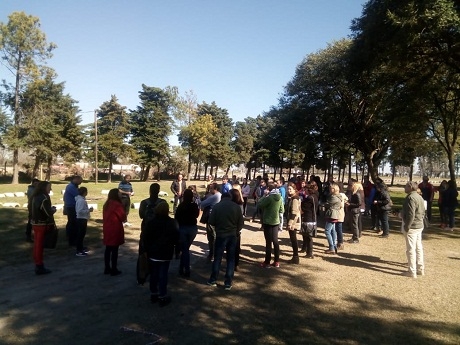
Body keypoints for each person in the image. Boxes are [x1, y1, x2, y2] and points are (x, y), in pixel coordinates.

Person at [143, 202, 179, 307]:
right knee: (163, 274)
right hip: (165, 252)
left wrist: (146, 250)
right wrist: (177, 250)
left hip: (153, 252)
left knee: (154, 274)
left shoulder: (151, 222)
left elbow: (145, 237)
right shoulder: (172, 222)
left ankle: (154, 293)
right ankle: (162, 295)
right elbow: (176, 237)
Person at [206, 193, 244, 290]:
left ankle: (213, 279)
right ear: (230, 198)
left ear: (222, 198)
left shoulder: (217, 207)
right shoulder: (236, 207)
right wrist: (236, 231)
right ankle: (228, 282)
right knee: (230, 259)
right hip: (232, 235)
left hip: (221, 235)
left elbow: (211, 221)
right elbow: (241, 223)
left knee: (218, 258)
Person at [31, 181, 56, 275]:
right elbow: (47, 213)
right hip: (42, 224)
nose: (50, 189)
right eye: (49, 187)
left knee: (37, 244)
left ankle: (37, 262)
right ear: (44, 187)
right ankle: (39, 265)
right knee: (40, 246)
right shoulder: (44, 198)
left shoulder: (35, 196)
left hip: (35, 223)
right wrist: (52, 210)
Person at [401, 182, 426, 278]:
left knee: (411, 249)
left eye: (406, 186)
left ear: (410, 187)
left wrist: (407, 226)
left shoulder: (410, 198)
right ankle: (420, 268)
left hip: (413, 227)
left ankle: (412, 271)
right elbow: (423, 211)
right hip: (419, 225)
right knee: (418, 247)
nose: (404, 187)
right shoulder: (419, 197)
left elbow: (411, 214)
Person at [175, 189, 199, 278]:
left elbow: (176, 217)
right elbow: (197, 215)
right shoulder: (194, 205)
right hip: (192, 228)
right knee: (185, 249)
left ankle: (186, 269)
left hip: (183, 228)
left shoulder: (181, 206)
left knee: (185, 250)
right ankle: (181, 268)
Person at [258, 184, 284, 268]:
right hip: (276, 221)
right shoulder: (280, 198)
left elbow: (260, 204)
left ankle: (267, 262)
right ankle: (277, 261)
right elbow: (282, 210)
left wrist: (264, 196)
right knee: (275, 242)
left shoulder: (269, 198)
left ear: (269, 189)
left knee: (268, 242)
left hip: (268, 221)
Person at [103, 188, 126, 276]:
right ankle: (114, 269)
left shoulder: (107, 203)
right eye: (119, 193)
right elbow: (123, 217)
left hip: (107, 228)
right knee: (115, 250)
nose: (121, 194)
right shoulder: (117, 204)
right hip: (115, 228)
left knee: (108, 249)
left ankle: (107, 267)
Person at [200, 182, 222, 261]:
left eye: (211, 188)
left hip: (211, 219)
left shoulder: (214, 197)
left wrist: (199, 199)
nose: (210, 190)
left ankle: (211, 254)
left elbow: (202, 203)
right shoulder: (220, 195)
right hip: (219, 218)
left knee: (211, 237)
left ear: (215, 189)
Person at [300, 182, 319, 258]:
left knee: (308, 237)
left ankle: (309, 253)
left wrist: (301, 203)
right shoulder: (314, 197)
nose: (305, 191)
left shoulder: (310, 198)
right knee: (306, 235)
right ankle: (305, 249)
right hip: (311, 217)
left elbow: (305, 207)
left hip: (309, 218)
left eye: (306, 189)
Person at [64, 175, 83, 246]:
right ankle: (71, 238)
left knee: (73, 222)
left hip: (73, 206)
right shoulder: (70, 187)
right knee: (72, 222)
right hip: (71, 206)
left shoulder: (74, 186)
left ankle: (72, 236)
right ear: (76, 179)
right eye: (80, 181)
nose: (80, 183)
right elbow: (78, 195)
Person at [324, 182, 342, 254]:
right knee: (333, 230)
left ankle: (331, 247)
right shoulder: (339, 196)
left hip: (332, 215)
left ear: (334, 189)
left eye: (331, 188)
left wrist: (326, 204)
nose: (329, 190)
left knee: (327, 231)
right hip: (335, 214)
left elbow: (327, 203)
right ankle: (334, 246)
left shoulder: (333, 197)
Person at [286, 182, 301, 264]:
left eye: (290, 189)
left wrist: (290, 223)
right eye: (288, 189)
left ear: (294, 189)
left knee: (293, 239)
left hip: (294, 222)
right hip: (292, 221)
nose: (289, 190)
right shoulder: (292, 198)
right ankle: (295, 256)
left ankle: (295, 257)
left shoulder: (295, 199)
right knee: (293, 239)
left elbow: (294, 212)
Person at [75, 187, 93, 256]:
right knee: (80, 235)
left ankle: (81, 248)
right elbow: (79, 211)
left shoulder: (81, 200)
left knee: (81, 235)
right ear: (84, 192)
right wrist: (88, 210)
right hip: (81, 219)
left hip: (82, 219)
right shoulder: (81, 201)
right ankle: (79, 251)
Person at [230, 188, 244, 271]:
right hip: (232, 230)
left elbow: (241, 221)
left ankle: (236, 264)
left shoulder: (238, 206)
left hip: (234, 230)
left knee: (236, 248)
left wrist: (237, 230)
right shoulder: (230, 204)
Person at [26, 178, 39, 242]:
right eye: (35, 183)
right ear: (33, 183)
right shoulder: (31, 190)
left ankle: (31, 234)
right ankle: (28, 235)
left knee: (32, 220)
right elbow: (33, 197)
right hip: (32, 206)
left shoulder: (34, 189)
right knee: (31, 221)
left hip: (33, 206)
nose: (37, 185)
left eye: (38, 183)